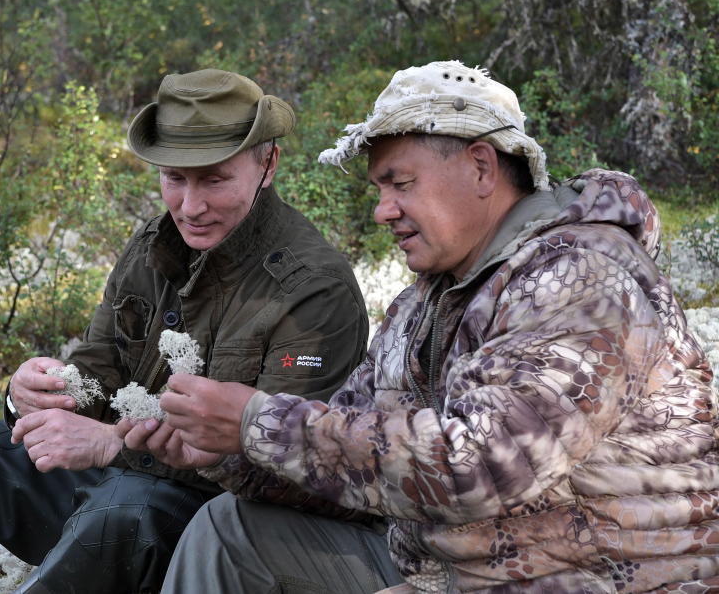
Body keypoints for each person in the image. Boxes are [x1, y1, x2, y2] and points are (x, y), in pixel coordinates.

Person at [123, 60, 718, 593]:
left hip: (606, 576)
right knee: (231, 531)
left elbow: (484, 465)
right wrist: (223, 448)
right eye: (380, 188)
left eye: (400, 183)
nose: (383, 209)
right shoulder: (424, 304)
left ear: (482, 167)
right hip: (456, 568)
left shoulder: (581, 278)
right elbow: (354, 464)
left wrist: (259, 420)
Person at [0, 69, 369, 594]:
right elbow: (98, 371)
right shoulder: (155, 246)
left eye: (215, 179)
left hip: (214, 535)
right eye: (174, 179)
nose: (190, 206)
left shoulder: (313, 290)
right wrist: (32, 394)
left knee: (124, 512)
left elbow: (286, 470)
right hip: (119, 491)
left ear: (267, 164)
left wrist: (110, 447)